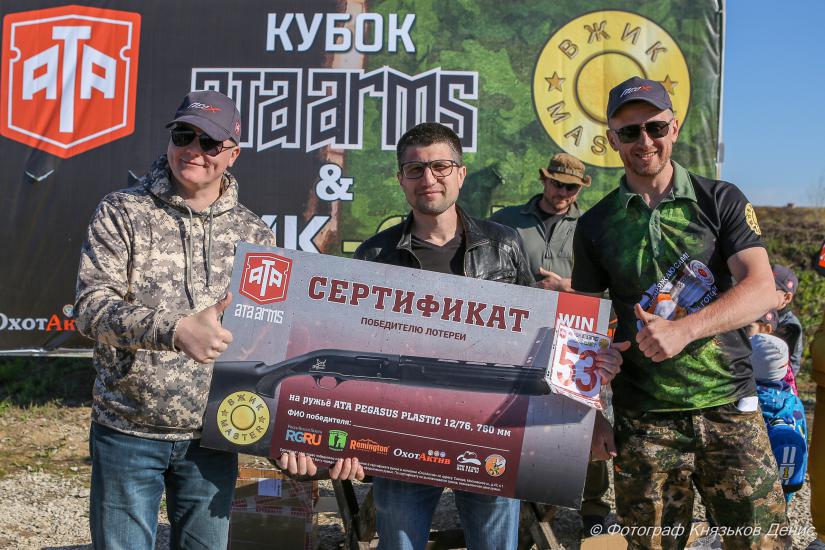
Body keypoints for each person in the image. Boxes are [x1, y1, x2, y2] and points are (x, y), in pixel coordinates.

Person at [280, 122, 625, 550]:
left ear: (460, 174)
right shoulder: (375, 254)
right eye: (415, 169)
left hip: (491, 434)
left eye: (441, 166)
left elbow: (543, 340)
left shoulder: (504, 244)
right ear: (401, 179)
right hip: (401, 439)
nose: (429, 178)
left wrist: (588, 396)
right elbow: (353, 359)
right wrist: (342, 440)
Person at [571, 76, 790, 549]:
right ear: (612, 140)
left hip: (729, 408)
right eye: (629, 132)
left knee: (760, 543)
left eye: (654, 127)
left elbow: (761, 288)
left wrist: (684, 330)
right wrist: (591, 414)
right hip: (644, 420)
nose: (644, 141)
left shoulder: (720, 199)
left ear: (674, 128)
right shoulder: (595, 225)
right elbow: (580, 325)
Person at [75, 90, 276, 549]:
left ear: (233, 154)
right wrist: (177, 330)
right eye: (184, 135)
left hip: (212, 438)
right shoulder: (123, 211)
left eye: (210, 142)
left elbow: (265, 336)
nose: (194, 150)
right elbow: (91, 308)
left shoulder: (254, 233)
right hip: (128, 429)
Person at [490, 153, 611, 535]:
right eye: (558, 184)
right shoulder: (506, 221)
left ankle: (594, 505)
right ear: (544, 180)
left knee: (581, 418)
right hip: (519, 337)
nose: (563, 193)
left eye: (571, 188)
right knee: (519, 418)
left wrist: (567, 288)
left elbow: (609, 289)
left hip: (576, 340)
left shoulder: (593, 226)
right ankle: (526, 497)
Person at [772, 264, 803, 375]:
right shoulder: (754, 312)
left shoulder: (791, 326)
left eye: (770, 290)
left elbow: (793, 363)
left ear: (787, 297)